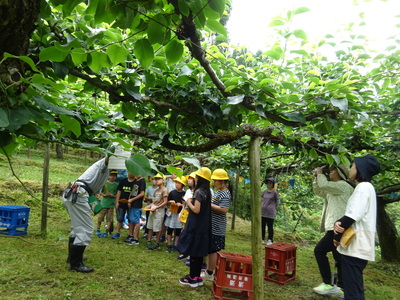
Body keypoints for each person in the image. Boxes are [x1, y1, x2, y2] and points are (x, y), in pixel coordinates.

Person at [334, 155, 380, 300]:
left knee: (352, 291)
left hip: (356, 247)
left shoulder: (363, 187)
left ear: (360, 169)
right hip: (359, 246)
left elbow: (352, 215)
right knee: (355, 287)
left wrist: (337, 232)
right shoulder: (368, 188)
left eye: (353, 166)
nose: (350, 169)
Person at [312, 165, 354, 297]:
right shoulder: (333, 188)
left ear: (341, 173)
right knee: (339, 257)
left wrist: (319, 174)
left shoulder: (343, 186)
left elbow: (324, 185)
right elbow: (319, 191)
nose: (330, 172)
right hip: (335, 227)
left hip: (338, 228)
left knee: (319, 250)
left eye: (333, 170)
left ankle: (327, 284)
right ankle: (341, 288)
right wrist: (316, 179)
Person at [62, 157, 110, 273]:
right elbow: (109, 158)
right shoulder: (104, 164)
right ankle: (75, 263)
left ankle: (73, 258)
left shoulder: (105, 168)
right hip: (78, 194)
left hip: (76, 193)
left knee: (77, 227)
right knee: (86, 228)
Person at [176, 167, 212, 288]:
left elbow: (196, 209)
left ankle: (192, 278)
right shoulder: (207, 192)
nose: (195, 179)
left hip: (195, 226)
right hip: (203, 226)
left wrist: (188, 201)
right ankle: (197, 278)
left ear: (200, 179)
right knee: (198, 253)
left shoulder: (198, 192)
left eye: (196, 177)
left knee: (193, 251)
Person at [201, 169, 232, 281]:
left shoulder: (225, 193)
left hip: (218, 226)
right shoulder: (219, 192)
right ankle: (209, 269)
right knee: (211, 248)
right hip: (212, 224)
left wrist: (208, 205)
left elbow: (224, 209)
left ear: (221, 181)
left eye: (215, 180)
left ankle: (210, 272)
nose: (214, 182)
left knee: (213, 249)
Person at [145, 173, 168, 250]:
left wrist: (157, 207)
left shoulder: (164, 190)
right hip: (153, 208)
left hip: (159, 210)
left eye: (159, 179)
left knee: (157, 227)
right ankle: (149, 240)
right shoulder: (156, 190)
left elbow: (165, 202)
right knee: (150, 225)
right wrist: (150, 205)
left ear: (163, 180)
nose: (156, 181)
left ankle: (157, 243)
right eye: (156, 179)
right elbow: (154, 201)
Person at [165, 175, 186, 252]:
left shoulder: (185, 193)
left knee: (178, 230)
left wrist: (181, 205)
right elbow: (167, 201)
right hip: (172, 213)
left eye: (178, 183)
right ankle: (169, 244)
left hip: (179, 214)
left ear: (182, 185)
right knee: (170, 228)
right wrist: (170, 202)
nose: (176, 184)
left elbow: (186, 204)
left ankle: (176, 244)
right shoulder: (172, 192)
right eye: (176, 183)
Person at [112, 171, 136, 239]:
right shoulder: (123, 181)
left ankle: (130, 234)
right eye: (129, 171)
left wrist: (130, 201)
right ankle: (117, 232)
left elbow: (134, 193)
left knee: (130, 219)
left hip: (131, 204)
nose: (131, 173)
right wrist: (117, 202)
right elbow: (119, 191)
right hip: (121, 203)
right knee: (120, 218)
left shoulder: (136, 183)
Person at [96, 170, 119, 238]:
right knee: (100, 217)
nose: (113, 177)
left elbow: (117, 194)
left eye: (114, 176)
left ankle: (107, 231)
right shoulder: (105, 184)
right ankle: (98, 229)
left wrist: (113, 195)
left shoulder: (116, 185)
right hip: (104, 204)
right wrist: (105, 195)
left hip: (111, 204)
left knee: (110, 218)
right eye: (112, 175)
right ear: (109, 176)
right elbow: (100, 192)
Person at [125, 175, 146, 245]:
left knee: (136, 221)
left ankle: (136, 238)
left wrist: (132, 199)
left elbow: (142, 193)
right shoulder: (136, 181)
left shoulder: (142, 181)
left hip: (137, 204)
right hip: (132, 203)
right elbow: (133, 192)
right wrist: (129, 200)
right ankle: (130, 235)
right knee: (131, 220)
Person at [261, 178, 280, 245]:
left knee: (270, 226)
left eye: (270, 183)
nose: (269, 184)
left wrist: (273, 207)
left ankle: (270, 239)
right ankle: (262, 238)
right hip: (263, 211)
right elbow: (261, 198)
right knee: (262, 226)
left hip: (270, 212)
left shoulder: (275, 192)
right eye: (268, 183)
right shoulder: (264, 191)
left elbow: (278, 201)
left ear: (273, 184)